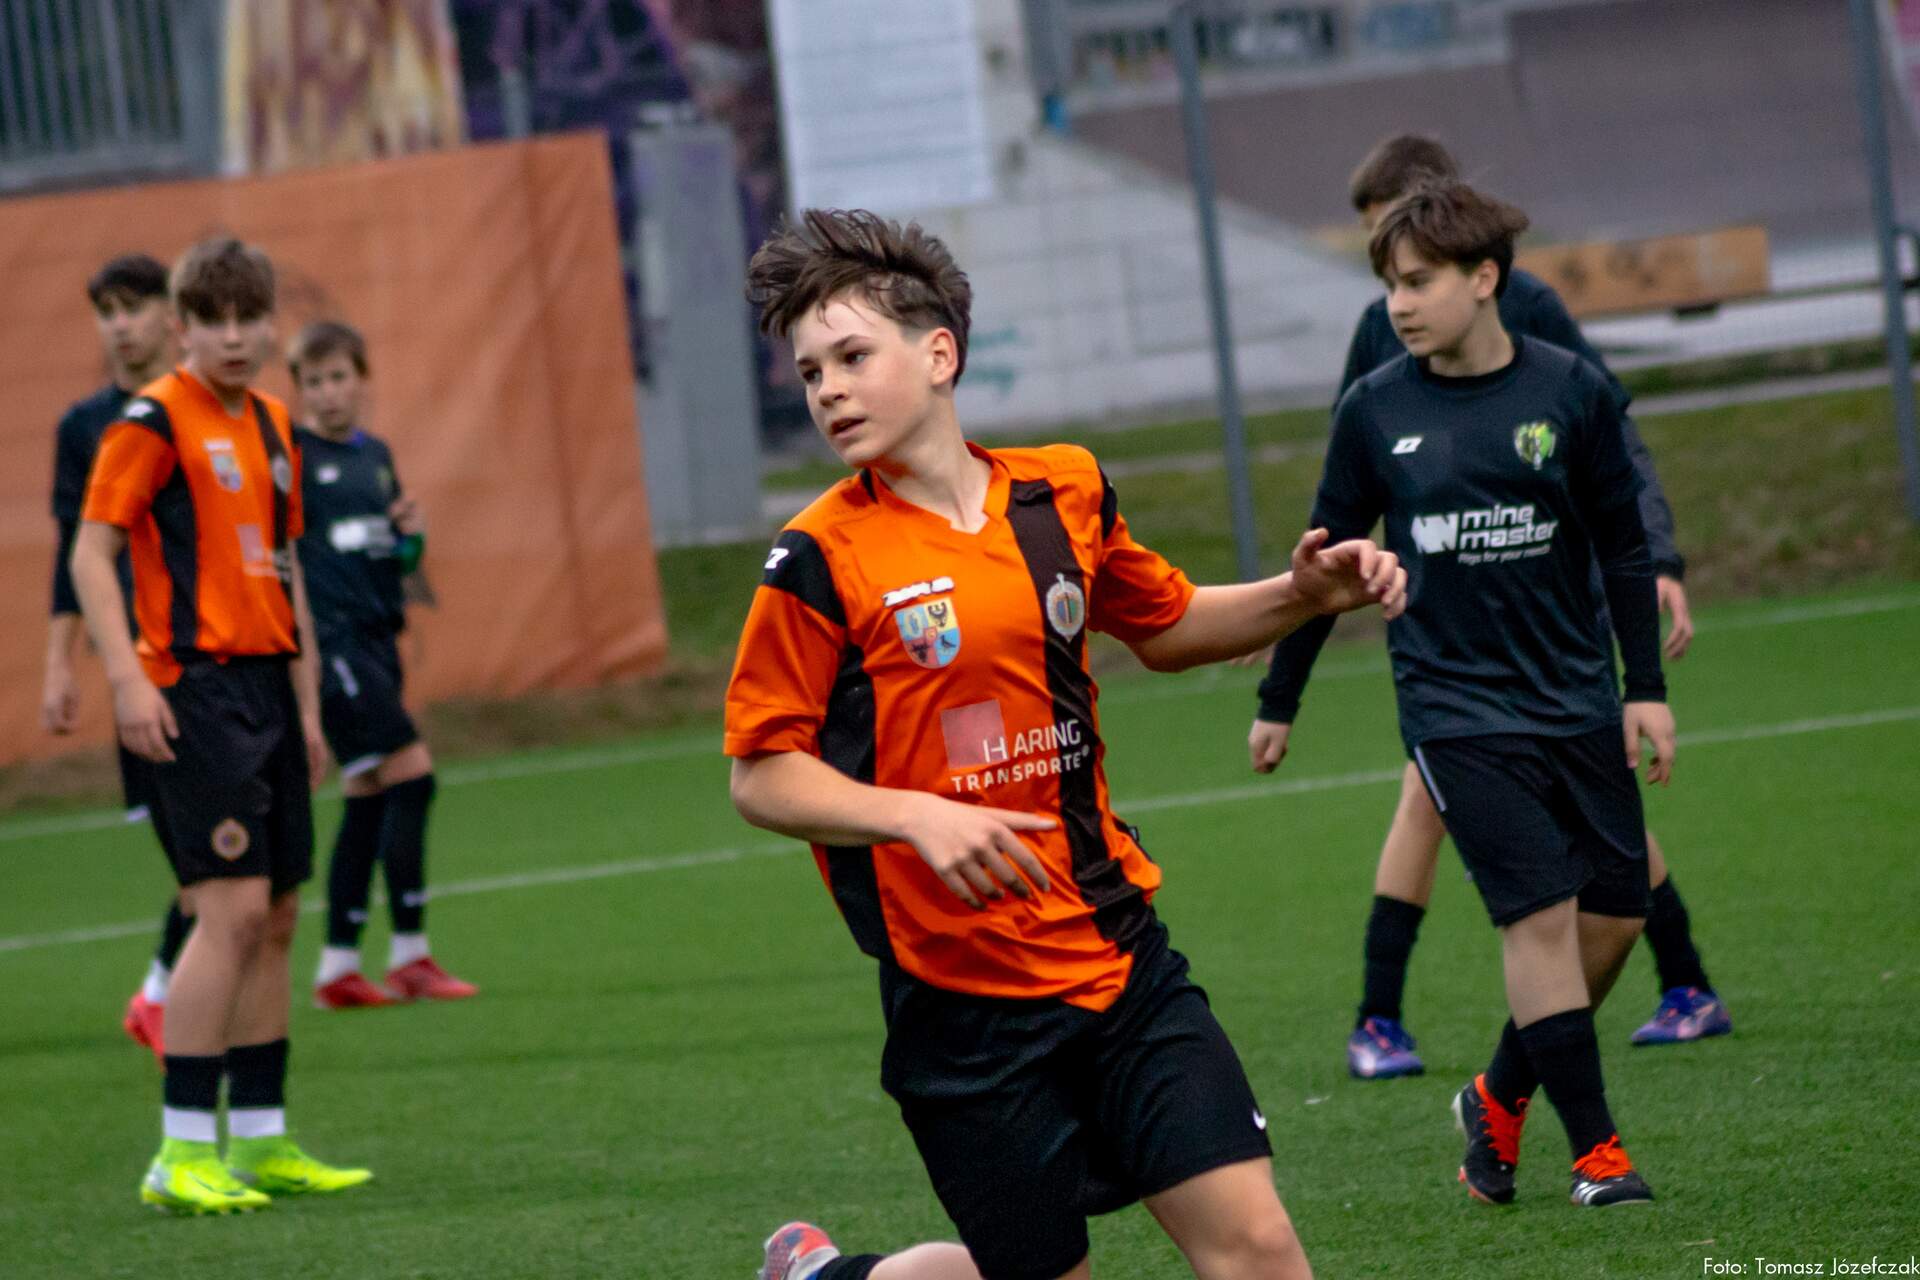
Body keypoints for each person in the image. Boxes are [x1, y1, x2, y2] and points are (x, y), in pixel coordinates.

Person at [728, 209, 1406, 1280]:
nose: (828, 391)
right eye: (811, 373)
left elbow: (1168, 624)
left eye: (852, 357)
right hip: (960, 1003)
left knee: (1259, 1245)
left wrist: (1301, 594)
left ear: (938, 353)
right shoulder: (817, 554)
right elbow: (761, 772)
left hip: (1116, 949)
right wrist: (915, 814)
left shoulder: (1061, 491)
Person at [1253, 134, 1727, 1082]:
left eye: (1406, 261)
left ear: (1472, 265)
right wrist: (1279, 647)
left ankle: (1664, 983)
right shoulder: (1381, 343)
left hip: (1553, 621)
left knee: (1586, 829)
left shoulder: (1530, 315)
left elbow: (1608, 440)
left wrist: (1656, 556)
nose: (1393, 293)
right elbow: (1345, 502)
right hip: (1451, 649)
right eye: (1381, 263)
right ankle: (1394, 1019)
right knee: (1443, 804)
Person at [71, 237, 371, 1215]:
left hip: (270, 689)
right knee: (229, 911)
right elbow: (90, 555)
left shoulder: (277, 423)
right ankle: (181, 1149)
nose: (235, 337)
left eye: (251, 318)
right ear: (182, 327)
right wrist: (128, 681)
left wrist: (310, 705)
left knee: (277, 914)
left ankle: (263, 1138)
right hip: (193, 688)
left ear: (272, 323)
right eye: (214, 320)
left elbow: (285, 573)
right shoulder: (152, 419)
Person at [287, 320, 476, 1009]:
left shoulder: (376, 456)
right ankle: (410, 955)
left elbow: (394, 558)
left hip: (377, 643)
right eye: (314, 382)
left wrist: (410, 538)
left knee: (368, 797)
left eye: (338, 377)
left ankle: (337, 967)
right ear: (300, 391)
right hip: (333, 645)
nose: (328, 393)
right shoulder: (294, 458)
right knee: (414, 778)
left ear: (361, 381)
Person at [41, 253, 196, 1065]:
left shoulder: (204, 407)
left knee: (239, 869)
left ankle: (167, 1001)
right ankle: (166, 1003)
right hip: (150, 672)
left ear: (171, 314)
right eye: (107, 311)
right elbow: (75, 552)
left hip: (224, 658)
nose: (121, 325)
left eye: (134, 306)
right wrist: (59, 665)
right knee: (207, 870)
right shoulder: (85, 428)